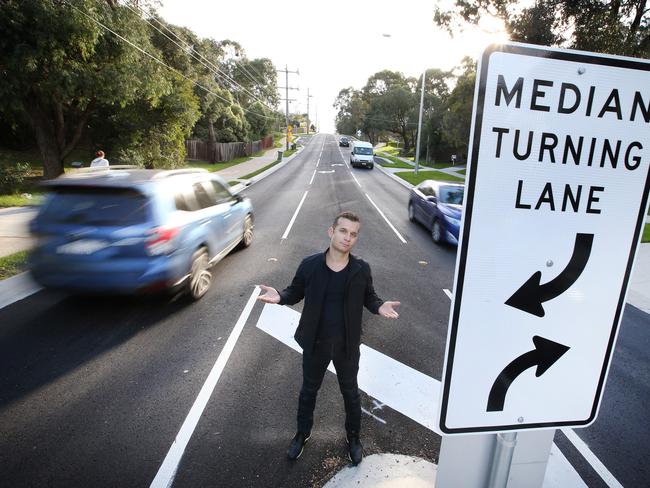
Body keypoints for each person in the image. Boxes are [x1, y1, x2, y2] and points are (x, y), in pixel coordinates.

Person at [257, 211, 400, 465]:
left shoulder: (361, 269)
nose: (348, 238)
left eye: (353, 234)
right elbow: (295, 291)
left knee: (351, 393)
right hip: (316, 344)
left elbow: (370, 297)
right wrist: (279, 296)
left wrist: (380, 307)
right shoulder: (310, 265)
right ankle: (302, 434)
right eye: (343, 231)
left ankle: (353, 438)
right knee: (308, 392)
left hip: (347, 347)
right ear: (331, 232)